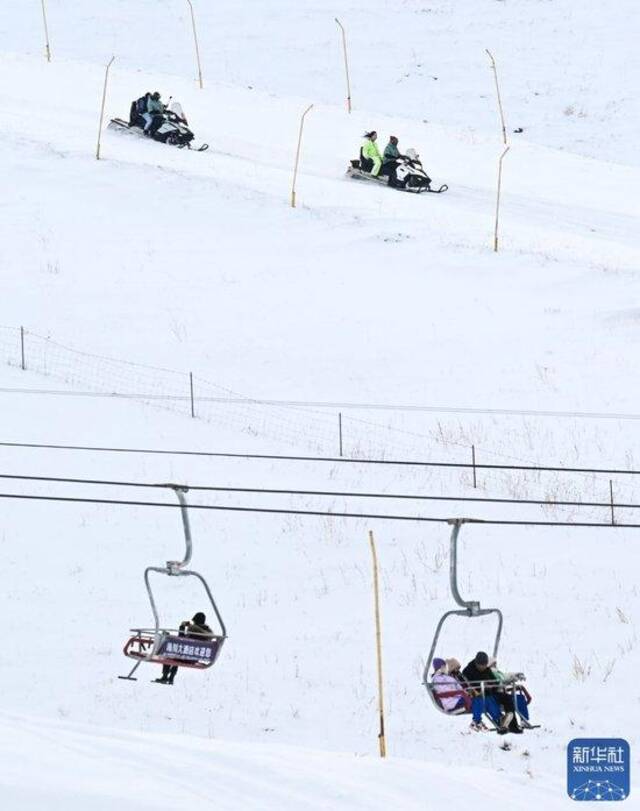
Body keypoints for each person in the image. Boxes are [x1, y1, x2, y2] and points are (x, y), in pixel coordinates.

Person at [155, 612, 214, 685]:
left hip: (185, 658)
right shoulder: (207, 634)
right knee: (178, 654)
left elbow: (181, 640)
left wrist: (182, 627)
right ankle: (171, 678)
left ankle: (165, 676)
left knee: (171, 653)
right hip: (194, 659)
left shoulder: (193, 630)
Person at [463, 651, 513, 733]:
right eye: (481, 666)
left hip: (487, 692)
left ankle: (500, 719)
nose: (483, 668)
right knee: (487, 699)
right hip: (476, 694)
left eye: (485, 666)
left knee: (490, 698)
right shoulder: (468, 670)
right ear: (476, 663)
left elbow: (495, 680)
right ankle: (494, 719)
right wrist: (482, 684)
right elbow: (468, 683)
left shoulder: (487, 669)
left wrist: (491, 685)